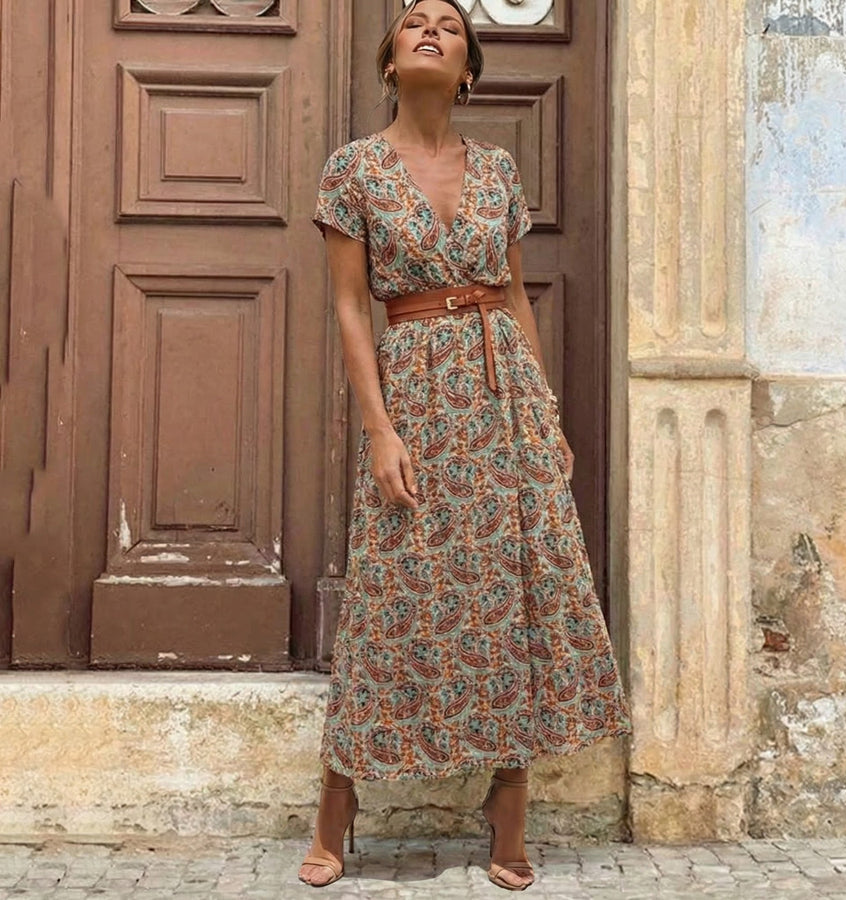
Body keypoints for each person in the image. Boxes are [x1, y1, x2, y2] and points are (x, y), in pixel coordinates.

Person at [300, 0, 631, 891]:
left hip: (503, 394)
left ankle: (509, 797)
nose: (431, 30)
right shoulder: (353, 170)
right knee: (393, 586)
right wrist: (379, 428)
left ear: (470, 66)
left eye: (448, 24)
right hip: (414, 386)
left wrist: (547, 412)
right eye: (413, 23)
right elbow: (348, 308)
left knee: (516, 583)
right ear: (388, 62)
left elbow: (515, 296)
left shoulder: (495, 170)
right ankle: (340, 795)